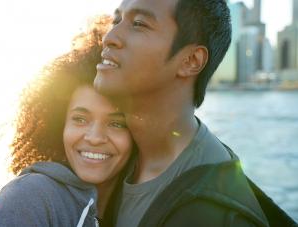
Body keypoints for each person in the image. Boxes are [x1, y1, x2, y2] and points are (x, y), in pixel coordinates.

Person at [94, 0, 297, 226]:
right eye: (116, 20)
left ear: (191, 60)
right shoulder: (106, 153)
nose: (109, 36)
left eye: (139, 23)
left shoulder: (212, 215)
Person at [0, 16, 134, 227]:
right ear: (59, 125)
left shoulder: (141, 206)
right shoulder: (29, 198)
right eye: (80, 119)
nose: (95, 138)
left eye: (116, 123)